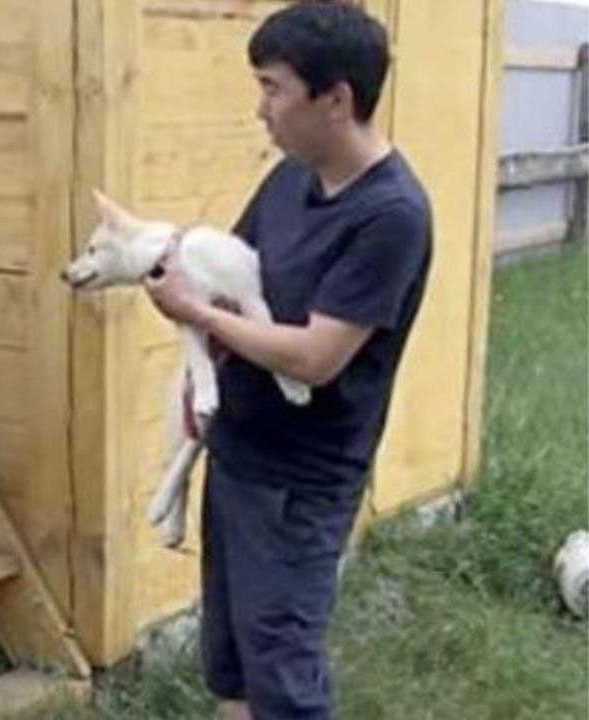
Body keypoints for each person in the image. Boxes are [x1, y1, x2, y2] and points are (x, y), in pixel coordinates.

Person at [145, 2, 432, 719]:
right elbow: (229, 280)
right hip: (237, 452)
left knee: (283, 683)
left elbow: (315, 357)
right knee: (234, 671)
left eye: (273, 87)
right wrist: (198, 349)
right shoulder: (288, 180)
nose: (260, 109)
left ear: (336, 99)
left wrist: (197, 315)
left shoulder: (390, 215)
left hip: (300, 486)